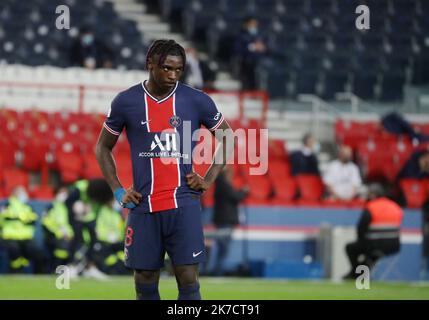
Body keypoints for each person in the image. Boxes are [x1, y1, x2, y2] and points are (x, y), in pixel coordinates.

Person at [96, 39, 233, 300]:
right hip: (143, 206)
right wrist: (117, 190)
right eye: (167, 68)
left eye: (178, 70)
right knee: (144, 280)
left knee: (188, 277)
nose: (172, 75)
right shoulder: (126, 102)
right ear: (150, 64)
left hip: (183, 204)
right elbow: (102, 147)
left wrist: (209, 177)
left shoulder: (196, 100)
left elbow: (228, 137)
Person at [343, 184, 403, 280]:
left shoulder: (371, 207)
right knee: (371, 256)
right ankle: (359, 274)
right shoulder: (395, 206)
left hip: (374, 244)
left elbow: (361, 228)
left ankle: (355, 273)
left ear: (373, 195)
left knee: (351, 248)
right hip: (394, 245)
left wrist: (361, 241)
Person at [65, 179, 114, 279]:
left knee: (94, 241)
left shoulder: (100, 196)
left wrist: (95, 224)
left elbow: (97, 210)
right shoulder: (80, 188)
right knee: (79, 240)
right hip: (75, 216)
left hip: (90, 217)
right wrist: (77, 206)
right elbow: (67, 202)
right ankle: (71, 267)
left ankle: (89, 267)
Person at [211, 165, 248, 276]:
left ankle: (217, 271)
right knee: (223, 248)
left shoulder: (221, 184)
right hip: (225, 220)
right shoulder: (223, 184)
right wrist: (243, 191)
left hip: (224, 220)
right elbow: (235, 196)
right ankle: (218, 272)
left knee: (222, 248)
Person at [0, 186, 47, 273]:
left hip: (26, 237)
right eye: (21, 192)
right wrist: (20, 218)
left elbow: (33, 219)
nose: (24, 194)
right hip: (9, 237)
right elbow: (4, 218)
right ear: (15, 193)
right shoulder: (7, 205)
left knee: (36, 251)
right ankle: (15, 271)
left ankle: (40, 275)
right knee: (14, 250)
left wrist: (19, 218)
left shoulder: (27, 206)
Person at [42, 185, 74, 272]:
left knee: (74, 242)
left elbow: (66, 224)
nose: (64, 195)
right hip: (52, 235)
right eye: (62, 193)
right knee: (63, 245)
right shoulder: (51, 206)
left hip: (64, 236)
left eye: (65, 193)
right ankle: (57, 269)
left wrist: (69, 234)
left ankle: (68, 268)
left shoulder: (64, 208)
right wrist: (59, 233)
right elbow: (46, 223)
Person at [93, 201, 129, 275]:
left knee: (122, 258)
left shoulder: (118, 213)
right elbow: (99, 229)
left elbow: (122, 228)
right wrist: (108, 236)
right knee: (109, 259)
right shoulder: (103, 212)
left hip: (118, 242)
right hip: (106, 242)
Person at [234, 16, 267, 90]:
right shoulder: (241, 35)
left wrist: (262, 47)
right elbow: (237, 49)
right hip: (246, 62)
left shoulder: (260, 35)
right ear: (246, 24)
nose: (254, 26)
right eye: (252, 24)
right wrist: (253, 47)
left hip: (259, 61)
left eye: (255, 24)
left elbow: (266, 48)